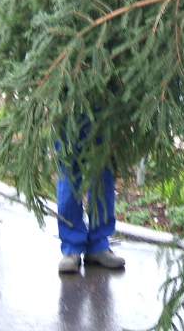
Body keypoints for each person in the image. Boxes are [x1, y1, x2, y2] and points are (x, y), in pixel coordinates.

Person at [56, 117, 125, 274]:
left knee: (104, 168)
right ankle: (71, 247)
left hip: (105, 107)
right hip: (67, 110)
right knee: (69, 166)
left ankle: (99, 245)